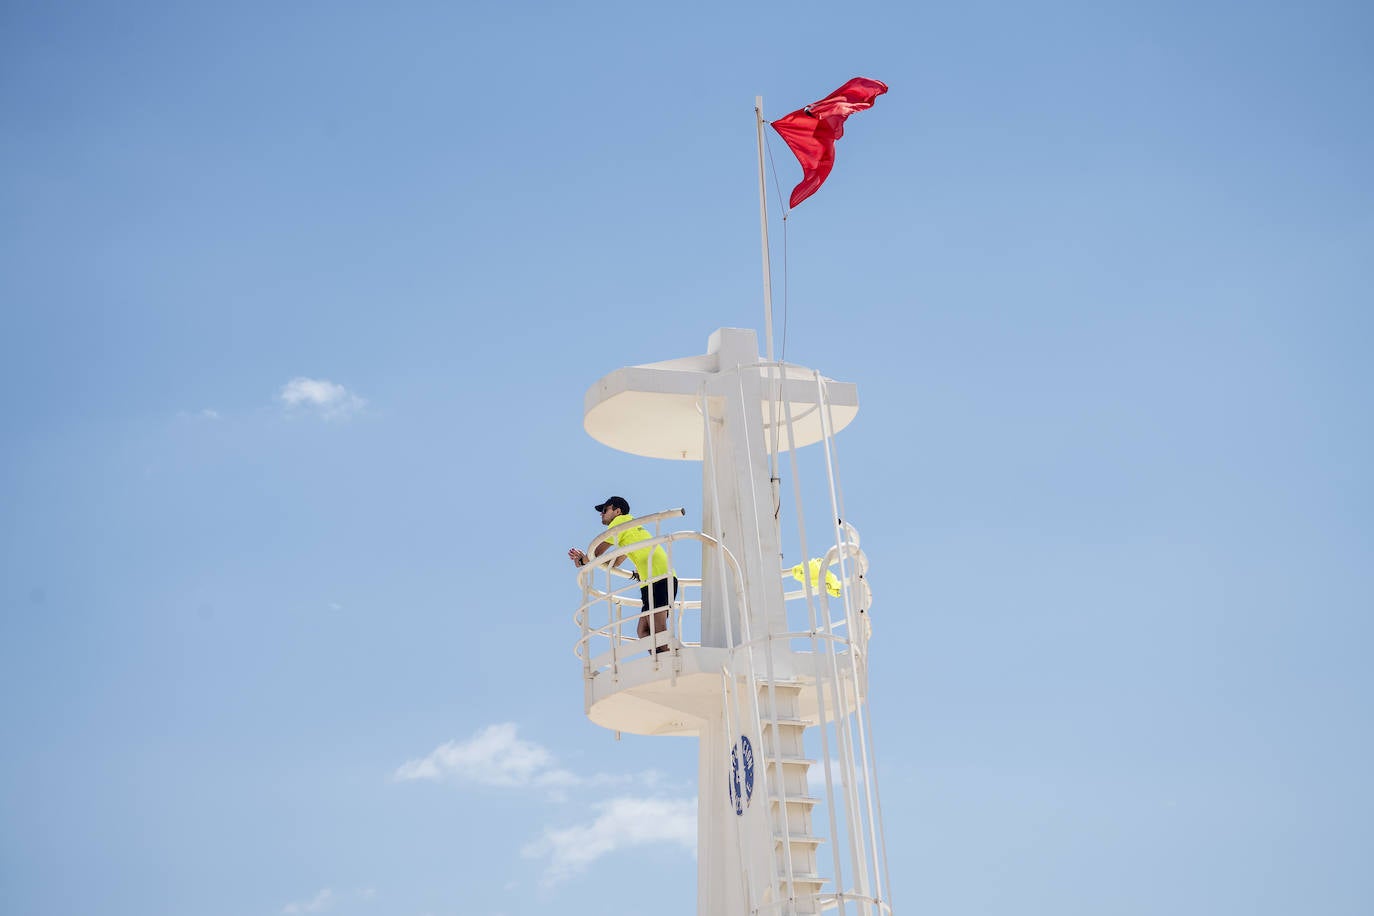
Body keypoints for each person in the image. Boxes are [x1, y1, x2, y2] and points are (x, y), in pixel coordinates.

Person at [568, 496, 678, 654]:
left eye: (605, 510)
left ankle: (672, 662)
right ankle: (664, 661)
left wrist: (583, 559)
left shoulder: (619, 524)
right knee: (643, 631)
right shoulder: (628, 530)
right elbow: (615, 561)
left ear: (617, 511)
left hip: (659, 576)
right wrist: (585, 560)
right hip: (650, 581)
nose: (601, 514)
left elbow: (597, 553)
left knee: (658, 630)